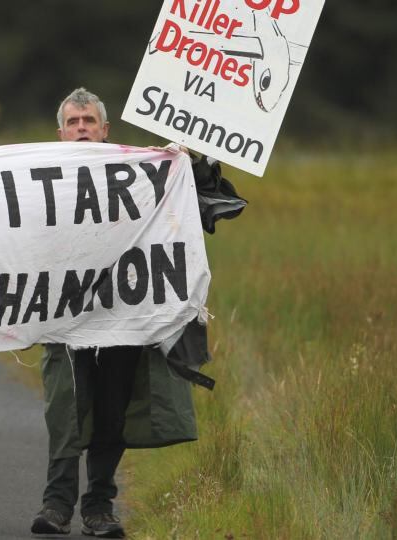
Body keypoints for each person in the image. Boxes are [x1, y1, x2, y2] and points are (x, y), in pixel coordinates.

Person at [31, 88, 245, 537]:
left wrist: (186, 162)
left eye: (89, 121)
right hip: (64, 317)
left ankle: (99, 507)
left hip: (124, 316)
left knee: (113, 410)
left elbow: (200, 202)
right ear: (60, 133)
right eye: (74, 123)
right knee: (66, 407)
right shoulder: (38, 176)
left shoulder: (138, 171)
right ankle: (56, 506)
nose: (82, 129)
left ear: (105, 130)